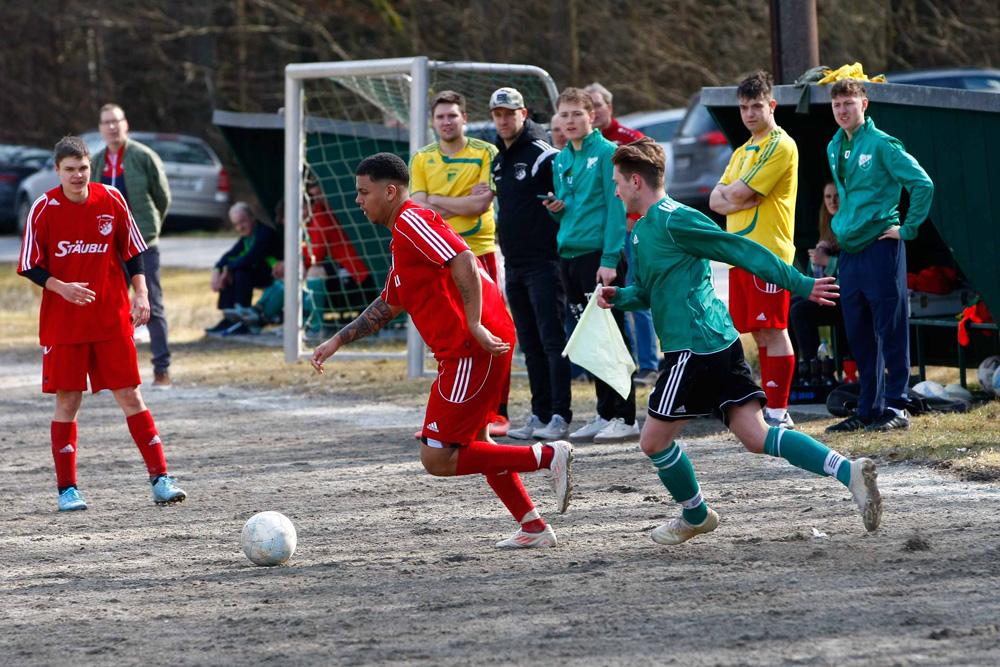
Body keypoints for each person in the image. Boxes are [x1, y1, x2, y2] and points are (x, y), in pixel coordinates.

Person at [596, 137, 882, 545]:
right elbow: (645, 291)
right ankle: (848, 471)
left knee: (653, 441)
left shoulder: (675, 219)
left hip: (695, 349)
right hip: (716, 344)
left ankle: (695, 515)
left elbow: (741, 250)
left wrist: (801, 282)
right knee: (756, 435)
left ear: (637, 181)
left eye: (617, 182)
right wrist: (619, 297)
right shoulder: (641, 232)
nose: (615, 190)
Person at [311, 152, 573, 549]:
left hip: (469, 349)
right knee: (480, 442)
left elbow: (464, 258)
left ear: (390, 191)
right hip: (470, 347)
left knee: (437, 458)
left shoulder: (413, 219)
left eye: (364, 192)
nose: (358, 200)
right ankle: (532, 526)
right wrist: (336, 340)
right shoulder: (402, 236)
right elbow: (388, 305)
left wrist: (473, 325)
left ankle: (547, 455)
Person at [18, 136, 187, 511]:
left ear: (90, 168)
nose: (77, 176)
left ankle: (161, 479)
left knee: (130, 395)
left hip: (111, 318)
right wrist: (62, 288)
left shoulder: (111, 199)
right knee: (69, 401)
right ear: (58, 170)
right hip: (65, 324)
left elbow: (133, 251)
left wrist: (141, 294)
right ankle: (67, 490)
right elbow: (30, 263)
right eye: (69, 169)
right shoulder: (43, 208)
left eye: (83, 168)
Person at [824, 79, 934, 432]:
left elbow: (922, 183)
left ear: (864, 104)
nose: (843, 111)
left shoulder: (882, 145)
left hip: (881, 246)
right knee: (858, 331)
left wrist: (907, 228)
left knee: (891, 327)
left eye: (849, 104)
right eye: (837, 104)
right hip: (850, 252)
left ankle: (897, 406)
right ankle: (869, 407)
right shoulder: (834, 146)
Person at [409, 90, 510, 437]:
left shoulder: (487, 151)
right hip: (438, 256)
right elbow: (419, 209)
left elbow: (481, 205)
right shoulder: (421, 158)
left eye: (453, 115)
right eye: (440, 117)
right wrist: (456, 202)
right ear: (433, 122)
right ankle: (459, 409)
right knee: (453, 332)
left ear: (464, 118)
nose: (447, 122)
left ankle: (496, 413)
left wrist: (437, 202)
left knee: (491, 329)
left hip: (478, 250)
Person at [545, 87, 638, 443]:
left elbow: (617, 211)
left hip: (598, 259)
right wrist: (557, 213)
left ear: (591, 116)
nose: (569, 121)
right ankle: (605, 412)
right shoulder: (560, 160)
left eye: (576, 114)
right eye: (564, 115)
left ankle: (627, 416)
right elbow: (569, 212)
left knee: (612, 335)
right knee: (590, 338)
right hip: (568, 256)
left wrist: (610, 259)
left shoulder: (607, 153)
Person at [709, 70, 799, 430]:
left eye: (756, 106)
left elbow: (742, 194)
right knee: (758, 331)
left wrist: (736, 196)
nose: (749, 113)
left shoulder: (780, 144)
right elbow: (717, 200)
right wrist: (735, 196)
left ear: (771, 105)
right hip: (740, 253)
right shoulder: (743, 150)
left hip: (767, 252)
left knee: (774, 328)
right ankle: (770, 404)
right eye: (744, 107)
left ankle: (779, 410)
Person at [488, 87, 571, 441]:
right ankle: (539, 414)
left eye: (510, 113)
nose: (504, 120)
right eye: (498, 114)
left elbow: (567, 201)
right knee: (530, 343)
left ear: (524, 113)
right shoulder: (498, 159)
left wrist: (561, 209)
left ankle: (560, 415)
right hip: (515, 264)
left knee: (553, 340)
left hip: (545, 263)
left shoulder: (543, 155)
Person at [90, 103, 173, 388]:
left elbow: (162, 197)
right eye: (106, 122)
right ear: (100, 128)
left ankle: (162, 369)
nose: (112, 127)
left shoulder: (143, 156)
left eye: (116, 121)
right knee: (107, 307)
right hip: (109, 248)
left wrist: (148, 229)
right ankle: (110, 371)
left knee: (151, 305)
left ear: (126, 124)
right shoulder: (98, 161)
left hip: (143, 245)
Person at [586, 82, 659, 386]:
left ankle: (649, 363)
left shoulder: (629, 139)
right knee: (612, 299)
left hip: (632, 231)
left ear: (609, 108)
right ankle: (621, 361)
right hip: (601, 236)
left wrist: (632, 220)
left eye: (598, 105)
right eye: (588, 107)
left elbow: (649, 182)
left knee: (637, 293)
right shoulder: (582, 147)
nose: (594, 112)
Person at [789, 182, 850, 368]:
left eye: (837, 196)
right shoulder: (828, 227)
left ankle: (814, 367)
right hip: (831, 293)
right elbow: (816, 277)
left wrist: (827, 261)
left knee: (799, 310)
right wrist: (816, 259)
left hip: (850, 297)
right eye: (828, 197)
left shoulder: (851, 225)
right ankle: (797, 370)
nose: (833, 201)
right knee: (789, 304)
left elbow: (856, 269)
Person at [206, 202, 282, 335]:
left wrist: (228, 269)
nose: (240, 227)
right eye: (236, 224)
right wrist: (218, 269)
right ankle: (229, 317)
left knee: (241, 272)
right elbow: (230, 254)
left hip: (277, 276)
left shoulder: (264, 233)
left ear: (252, 217)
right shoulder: (247, 237)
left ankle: (243, 318)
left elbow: (251, 257)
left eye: (243, 222)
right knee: (235, 272)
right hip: (262, 272)